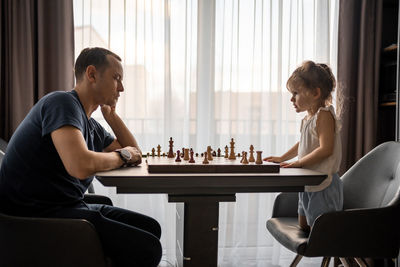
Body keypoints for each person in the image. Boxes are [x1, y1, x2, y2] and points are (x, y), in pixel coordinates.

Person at [0, 47, 162, 266]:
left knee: (152, 228)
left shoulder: (91, 124)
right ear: (92, 74)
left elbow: (135, 154)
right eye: (116, 79)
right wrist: (122, 155)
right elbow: (80, 165)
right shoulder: (61, 103)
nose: (121, 88)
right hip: (33, 216)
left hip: (65, 206)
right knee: (147, 249)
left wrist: (112, 117)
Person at [264, 60, 343, 232]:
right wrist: (282, 158)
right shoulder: (309, 118)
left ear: (315, 93)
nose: (292, 99)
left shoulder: (324, 115)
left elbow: (325, 148)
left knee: (321, 229)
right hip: (309, 181)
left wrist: (299, 163)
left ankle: (334, 252)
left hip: (324, 183)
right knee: (304, 225)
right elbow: (304, 143)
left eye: (296, 93)